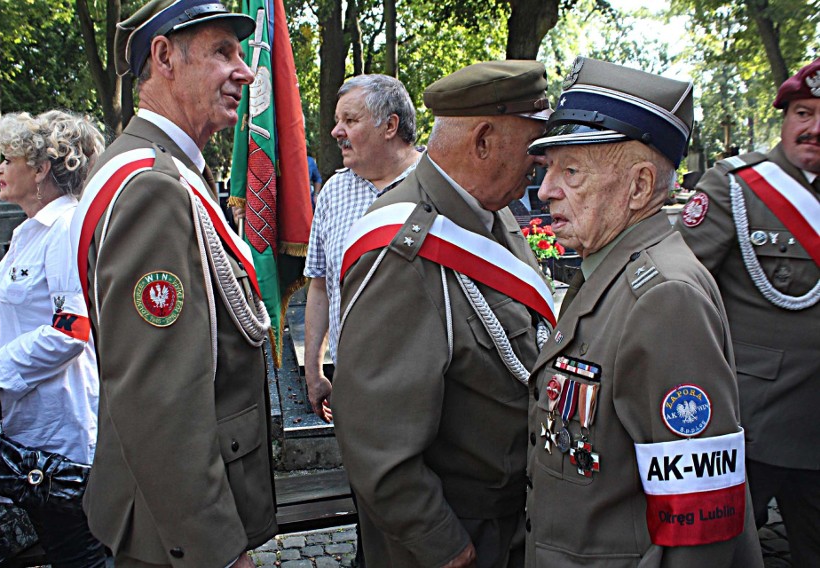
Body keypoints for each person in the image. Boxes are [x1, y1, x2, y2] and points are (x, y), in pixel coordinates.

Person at [524, 57, 762, 567]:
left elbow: (701, 521)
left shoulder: (664, 298)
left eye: (571, 172)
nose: (545, 191)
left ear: (637, 187)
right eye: (548, 170)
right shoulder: (608, 272)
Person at [71, 1, 276, 566]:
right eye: (222, 52)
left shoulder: (165, 168)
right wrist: (216, 549)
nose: (246, 71)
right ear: (163, 57)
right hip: (171, 533)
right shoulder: (154, 187)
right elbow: (159, 399)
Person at [332, 60, 556, 568]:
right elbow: (373, 435)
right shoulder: (402, 247)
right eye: (532, 145)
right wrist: (441, 542)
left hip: (508, 516)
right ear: (482, 141)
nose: (539, 164)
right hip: (461, 531)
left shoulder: (491, 213)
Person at [676, 58, 820, 566]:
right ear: (785, 117)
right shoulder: (739, 188)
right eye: (804, 112)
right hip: (753, 422)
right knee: (724, 552)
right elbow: (679, 288)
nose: (815, 128)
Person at [0, 110, 106, 567]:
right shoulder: (27, 234)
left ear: (42, 167)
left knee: (79, 556)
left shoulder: (65, 228)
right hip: (16, 436)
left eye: (9, 159)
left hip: (52, 447)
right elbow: (19, 318)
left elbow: (73, 328)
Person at [303, 74, 423, 421]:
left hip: (429, 390)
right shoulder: (333, 193)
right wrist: (313, 369)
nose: (336, 131)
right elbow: (320, 285)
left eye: (349, 121)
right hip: (355, 388)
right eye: (338, 121)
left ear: (390, 125)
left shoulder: (439, 187)